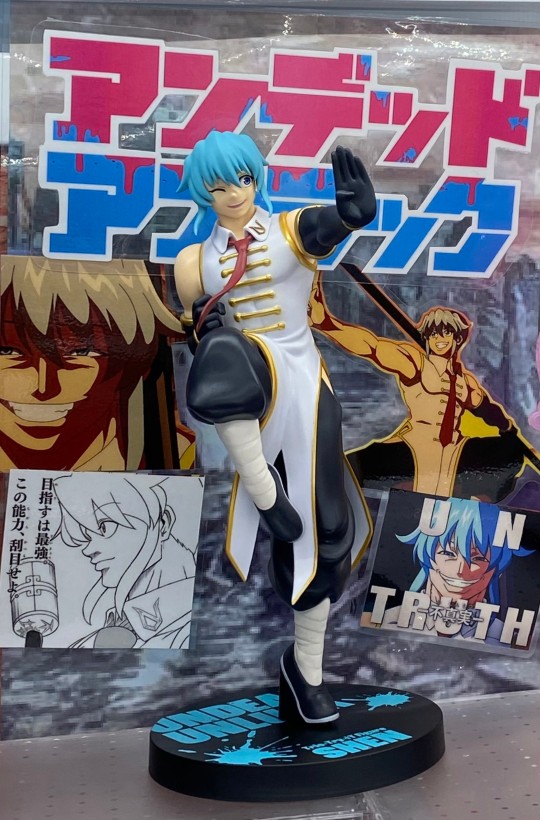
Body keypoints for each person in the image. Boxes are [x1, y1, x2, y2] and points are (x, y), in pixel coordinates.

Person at [174, 130, 376, 724]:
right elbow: (200, 336)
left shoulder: (288, 231)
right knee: (225, 352)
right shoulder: (193, 263)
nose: (234, 194)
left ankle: (304, 672)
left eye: (242, 179)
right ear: (203, 194)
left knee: (327, 531)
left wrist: (349, 217)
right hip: (251, 380)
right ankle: (266, 493)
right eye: (218, 186)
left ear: (256, 177)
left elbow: (321, 228)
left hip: (304, 379)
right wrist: (206, 330)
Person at [310, 279, 525, 501]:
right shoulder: (415, 363)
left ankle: (477, 501)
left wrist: (507, 428)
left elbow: (487, 410)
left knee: (510, 451)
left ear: (457, 338)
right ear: (427, 337)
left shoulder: (465, 381)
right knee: (352, 467)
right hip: (414, 444)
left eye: (446, 333)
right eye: (434, 333)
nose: (439, 339)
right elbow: (371, 346)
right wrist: (326, 323)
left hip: (453, 450)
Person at [0, 256, 184, 471]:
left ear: (136, 360)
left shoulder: (189, 455)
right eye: (7, 351)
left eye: (81, 352)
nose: (45, 388)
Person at [53, 474, 197, 649]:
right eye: (87, 537)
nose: (88, 550)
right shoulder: (114, 624)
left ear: (163, 523)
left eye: (105, 528)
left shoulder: (189, 626)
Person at [368, 497, 532, 645]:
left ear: (496, 567)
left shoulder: (505, 638)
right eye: (448, 553)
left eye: (477, 558)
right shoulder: (385, 620)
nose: (460, 570)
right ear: (427, 556)